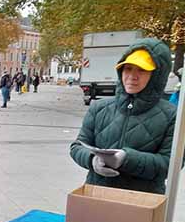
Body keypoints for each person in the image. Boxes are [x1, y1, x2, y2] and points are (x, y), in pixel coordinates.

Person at [70, 38, 178, 194]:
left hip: (143, 201)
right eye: (127, 69)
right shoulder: (99, 107)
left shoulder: (172, 115)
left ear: (157, 75)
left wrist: (127, 159)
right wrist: (92, 160)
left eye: (141, 70)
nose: (132, 76)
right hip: (97, 194)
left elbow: (170, 164)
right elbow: (77, 146)